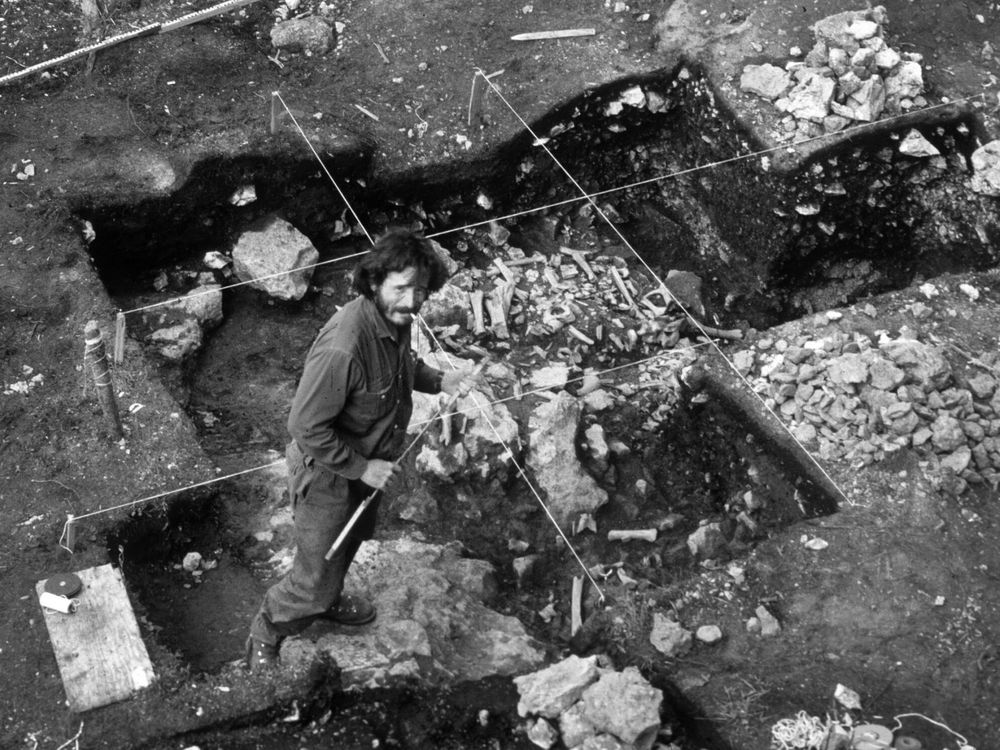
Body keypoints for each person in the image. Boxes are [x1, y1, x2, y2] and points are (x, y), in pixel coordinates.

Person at [246, 228, 476, 671]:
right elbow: (304, 426)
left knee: (349, 543)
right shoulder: (344, 346)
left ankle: (327, 600)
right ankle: (268, 631)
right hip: (328, 476)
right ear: (374, 283)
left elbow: (400, 366)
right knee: (314, 574)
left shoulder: (394, 320)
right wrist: (361, 467)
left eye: (421, 290)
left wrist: (439, 380)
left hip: (366, 467)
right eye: (402, 288)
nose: (412, 301)